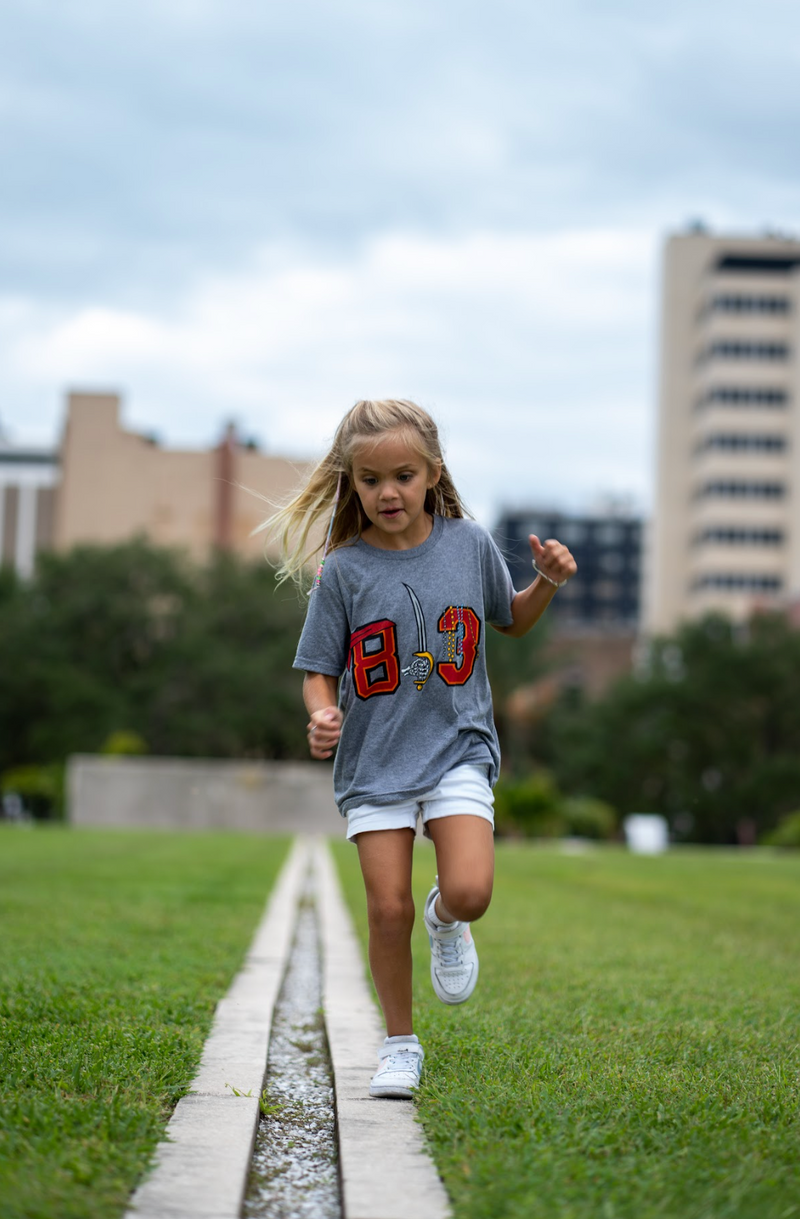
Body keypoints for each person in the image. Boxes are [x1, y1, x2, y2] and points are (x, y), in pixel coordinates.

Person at [267, 399, 576, 1099]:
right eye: (371, 479)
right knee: (385, 909)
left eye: (403, 475)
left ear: (432, 473)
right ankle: (400, 1043)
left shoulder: (468, 544)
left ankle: (446, 921)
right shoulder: (343, 570)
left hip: (457, 748)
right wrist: (321, 714)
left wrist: (549, 580)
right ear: (353, 483)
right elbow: (318, 669)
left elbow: (513, 621)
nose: (388, 492)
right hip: (375, 762)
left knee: (469, 891)